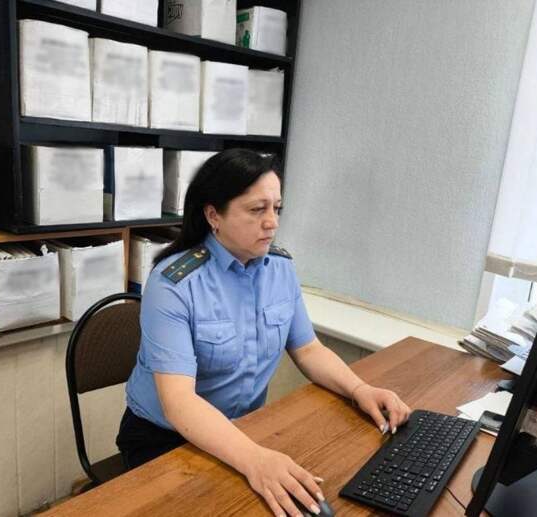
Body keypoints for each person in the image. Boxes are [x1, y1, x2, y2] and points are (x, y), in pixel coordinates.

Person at [116, 148, 411, 517]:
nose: (272, 222)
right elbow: (180, 404)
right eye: (257, 210)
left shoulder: (280, 268)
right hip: (165, 439)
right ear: (213, 215)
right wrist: (255, 460)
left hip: (243, 432)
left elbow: (308, 349)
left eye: (277, 208)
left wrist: (359, 389)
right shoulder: (173, 283)